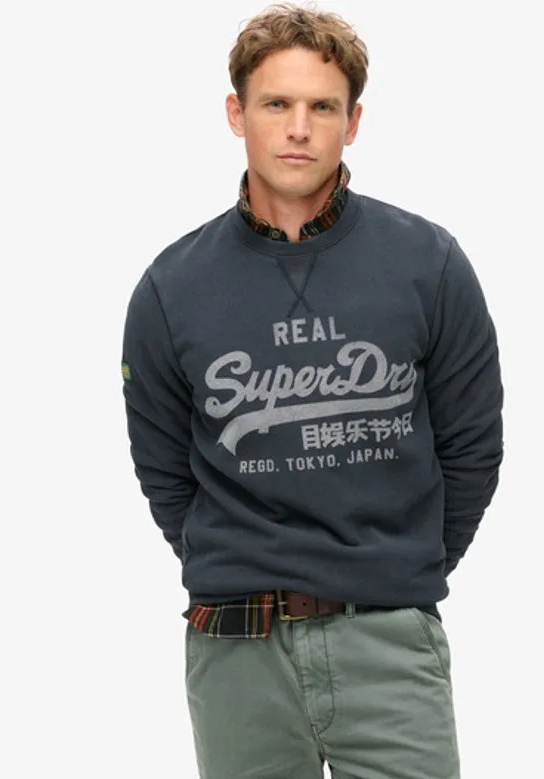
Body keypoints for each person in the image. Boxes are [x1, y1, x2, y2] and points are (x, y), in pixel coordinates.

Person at [121, 3, 504, 777]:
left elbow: (472, 449)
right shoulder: (171, 287)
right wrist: (237, 559)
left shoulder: (429, 265)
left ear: (352, 122)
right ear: (237, 114)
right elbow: (165, 473)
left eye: (322, 107)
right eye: (276, 104)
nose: (298, 128)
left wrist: (395, 575)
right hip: (237, 652)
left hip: (390, 643)